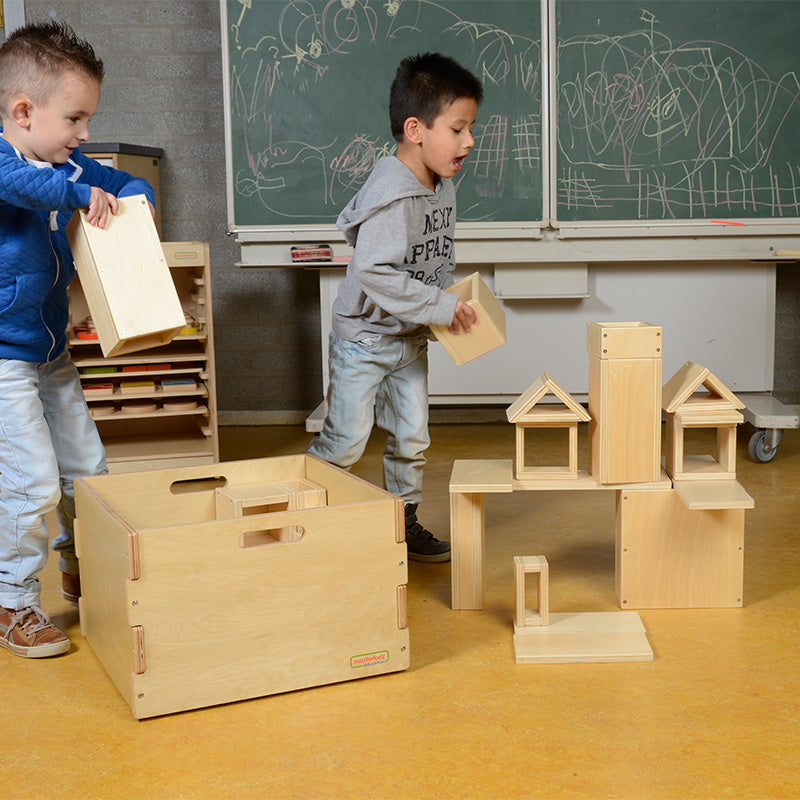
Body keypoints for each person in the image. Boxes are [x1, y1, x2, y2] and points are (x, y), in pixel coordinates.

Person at [0, 20, 156, 658]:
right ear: (23, 111)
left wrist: (136, 202)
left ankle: (81, 567)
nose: (85, 134)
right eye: (76, 118)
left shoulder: (64, 159)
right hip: (4, 357)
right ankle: (12, 599)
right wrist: (81, 190)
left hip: (52, 352)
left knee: (89, 473)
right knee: (34, 480)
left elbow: (125, 186)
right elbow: (25, 188)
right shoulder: (17, 165)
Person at [308, 52, 483, 563]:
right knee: (344, 442)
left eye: (470, 128)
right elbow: (373, 272)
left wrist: (444, 308)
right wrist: (437, 304)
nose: (469, 141)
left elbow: (431, 258)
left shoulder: (441, 185)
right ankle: (309, 517)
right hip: (364, 339)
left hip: (406, 339)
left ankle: (402, 525)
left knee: (412, 439)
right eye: (458, 128)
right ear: (416, 129)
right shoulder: (392, 197)